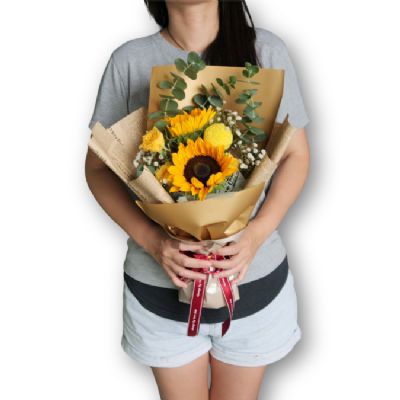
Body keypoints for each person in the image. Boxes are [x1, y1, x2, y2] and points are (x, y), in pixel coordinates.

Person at [85, 0, 310, 398]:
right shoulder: (129, 61)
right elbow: (99, 169)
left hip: (254, 287)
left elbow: (295, 155)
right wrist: (154, 242)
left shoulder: (266, 51)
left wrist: (255, 234)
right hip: (159, 293)